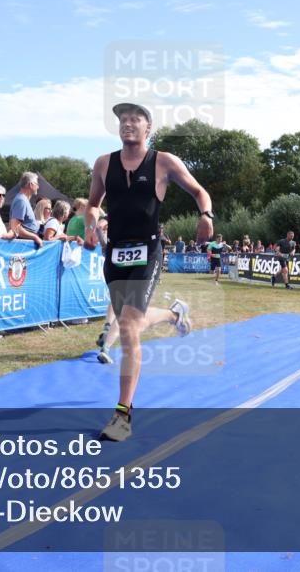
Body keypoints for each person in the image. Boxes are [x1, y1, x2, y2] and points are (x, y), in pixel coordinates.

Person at [84, 102, 213, 442]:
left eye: (134, 119)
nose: (127, 124)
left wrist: (206, 216)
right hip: (115, 253)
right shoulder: (103, 163)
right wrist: (90, 226)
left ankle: (122, 414)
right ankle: (174, 315)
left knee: (126, 325)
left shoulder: (165, 161)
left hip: (148, 251)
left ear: (148, 128)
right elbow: (93, 204)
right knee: (133, 322)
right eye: (122, 120)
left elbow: (200, 192)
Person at [9, 172, 43, 247]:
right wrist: (35, 237)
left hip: (27, 245)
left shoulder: (23, 200)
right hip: (23, 247)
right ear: (31, 184)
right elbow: (15, 228)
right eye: (37, 184)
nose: (38, 186)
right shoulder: (21, 200)